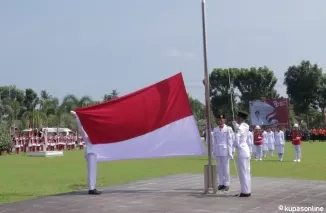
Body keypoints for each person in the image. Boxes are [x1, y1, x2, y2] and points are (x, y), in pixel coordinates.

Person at [212, 114, 233, 191]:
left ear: (224, 120)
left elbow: (230, 141)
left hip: (225, 150)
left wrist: (230, 152)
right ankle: (221, 183)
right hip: (218, 150)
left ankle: (227, 183)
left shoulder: (228, 129)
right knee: (219, 168)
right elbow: (214, 141)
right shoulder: (215, 129)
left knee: (226, 168)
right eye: (219, 120)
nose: (220, 121)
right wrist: (213, 150)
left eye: (222, 120)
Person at [232, 111, 251, 197]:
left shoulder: (240, 128)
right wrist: (236, 126)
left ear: (240, 118)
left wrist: (235, 145)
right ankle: (247, 190)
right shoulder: (246, 126)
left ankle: (245, 192)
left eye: (238, 118)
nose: (236, 119)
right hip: (246, 149)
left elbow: (237, 138)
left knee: (242, 172)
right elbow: (240, 128)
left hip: (241, 150)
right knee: (247, 171)